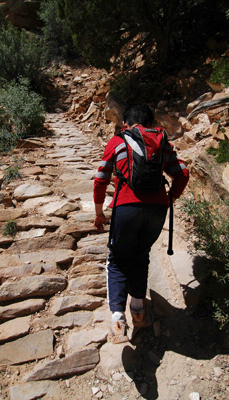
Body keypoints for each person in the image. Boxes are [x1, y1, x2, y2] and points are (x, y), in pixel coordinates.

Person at [93, 103, 189, 343]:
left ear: (125, 123)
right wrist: (169, 198)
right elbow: (182, 173)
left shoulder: (117, 141)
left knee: (117, 259)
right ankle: (138, 309)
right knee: (141, 254)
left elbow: (101, 178)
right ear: (151, 123)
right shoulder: (162, 143)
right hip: (157, 209)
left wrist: (99, 213)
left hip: (126, 207)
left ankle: (117, 317)